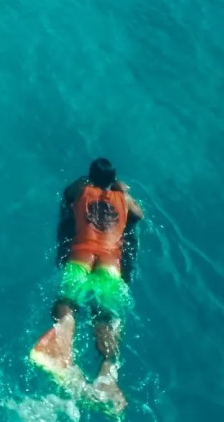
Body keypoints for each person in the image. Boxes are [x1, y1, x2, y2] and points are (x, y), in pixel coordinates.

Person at [30, 158, 144, 414]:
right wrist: (122, 191)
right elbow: (139, 215)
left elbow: (67, 193)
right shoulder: (123, 200)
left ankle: (59, 348)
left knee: (65, 305)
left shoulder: (82, 190)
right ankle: (107, 377)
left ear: (91, 177)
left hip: (81, 258)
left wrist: (86, 182)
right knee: (105, 317)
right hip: (110, 266)